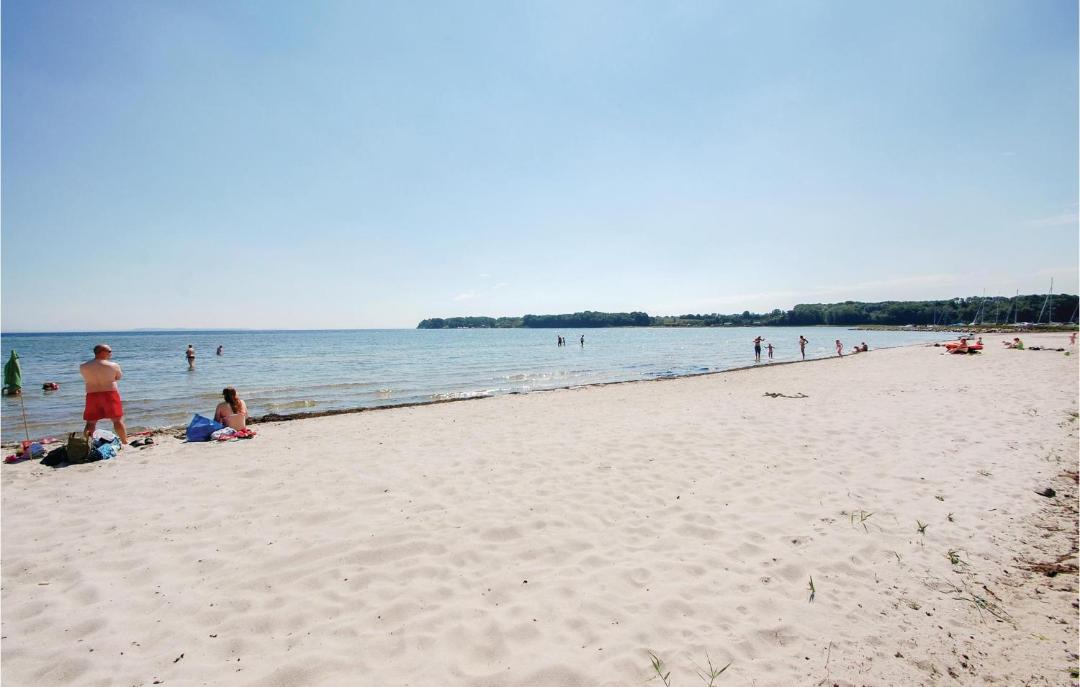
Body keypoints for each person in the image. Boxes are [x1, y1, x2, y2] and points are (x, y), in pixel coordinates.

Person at [80, 344, 128, 444]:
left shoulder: (84, 366)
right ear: (102, 352)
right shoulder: (113, 365)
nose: (111, 353)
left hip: (92, 394)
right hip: (110, 393)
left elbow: (86, 378)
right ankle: (124, 441)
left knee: (91, 421)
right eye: (110, 351)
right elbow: (118, 377)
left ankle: (86, 443)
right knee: (117, 419)